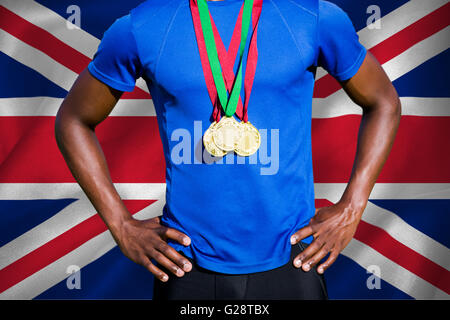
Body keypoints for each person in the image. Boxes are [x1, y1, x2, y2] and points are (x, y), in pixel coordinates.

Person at [55, 0, 400, 300]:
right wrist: (120, 225)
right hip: (187, 266)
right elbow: (73, 120)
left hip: (293, 260)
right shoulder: (142, 26)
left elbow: (383, 101)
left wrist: (353, 207)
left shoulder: (311, 16)